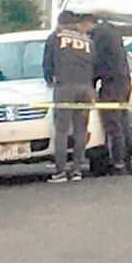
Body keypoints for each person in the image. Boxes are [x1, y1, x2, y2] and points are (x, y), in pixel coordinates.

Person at [43, 12, 97, 183]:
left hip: (65, 86)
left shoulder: (56, 37)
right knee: (81, 129)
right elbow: (94, 64)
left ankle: (60, 170)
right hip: (85, 87)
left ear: (60, 22)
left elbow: (47, 63)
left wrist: (49, 79)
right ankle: (77, 170)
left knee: (62, 130)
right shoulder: (87, 41)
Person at [92, 17, 132, 175]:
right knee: (122, 121)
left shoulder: (99, 35)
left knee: (113, 124)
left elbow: (98, 63)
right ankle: (126, 160)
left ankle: (118, 163)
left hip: (111, 85)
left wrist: (91, 82)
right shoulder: (112, 33)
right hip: (124, 81)